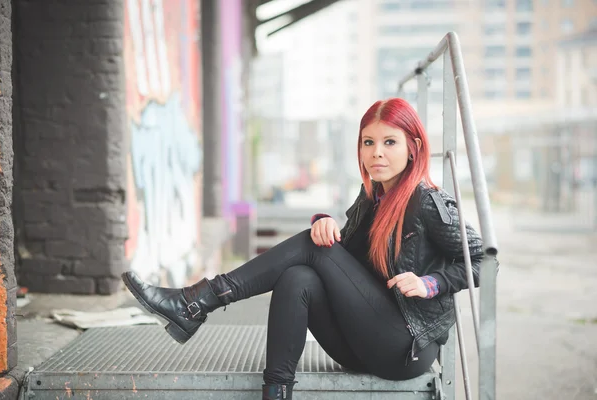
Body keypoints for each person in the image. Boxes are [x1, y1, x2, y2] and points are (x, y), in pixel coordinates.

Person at [122, 98, 493, 400]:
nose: (376, 153)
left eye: (389, 142)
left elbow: (483, 261)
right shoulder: (372, 198)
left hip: (406, 346)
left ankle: (196, 302)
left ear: (413, 148)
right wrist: (323, 222)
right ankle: (276, 390)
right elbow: (344, 262)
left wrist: (431, 283)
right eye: (368, 142)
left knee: (310, 250)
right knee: (298, 276)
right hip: (361, 340)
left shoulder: (427, 202)